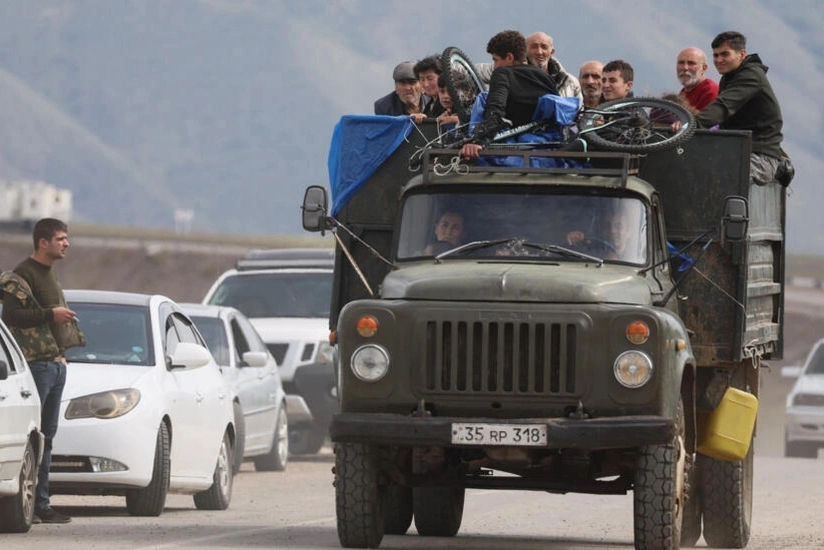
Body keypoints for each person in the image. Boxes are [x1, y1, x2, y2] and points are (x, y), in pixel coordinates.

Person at [0, 218, 84, 524]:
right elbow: (12, 316)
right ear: (43, 242)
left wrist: (61, 357)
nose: (66, 243)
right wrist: (51, 313)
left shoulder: (49, 273)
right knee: (35, 438)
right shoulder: (24, 273)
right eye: (60, 239)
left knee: (47, 439)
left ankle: (41, 504)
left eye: (66, 238)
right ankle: (34, 504)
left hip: (55, 365)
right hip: (37, 366)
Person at [694, 31, 785, 186]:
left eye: (725, 54)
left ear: (741, 54)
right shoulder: (729, 78)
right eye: (715, 55)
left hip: (759, 156)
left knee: (717, 178)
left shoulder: (751, 76)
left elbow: (723, 106)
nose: (719, 60)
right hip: (736, 150)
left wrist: (691, 125)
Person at [460, 30, 559, 160]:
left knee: (483, 97)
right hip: (548, 148)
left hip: (515, 149)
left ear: (509, 57)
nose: (495, 66)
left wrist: (478, 141)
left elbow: (495, 111)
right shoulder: (547, 77)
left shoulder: (502, 74)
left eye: (496, 60)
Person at [525, 32, 582, 99]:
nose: (539, 52)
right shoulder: (517, 80)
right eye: (534, 47)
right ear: (526, 51)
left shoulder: (570, 82)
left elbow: (579, 105)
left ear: (551, 52)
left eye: (544, 47)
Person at [566, 208, 634, 261]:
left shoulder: (636, 259)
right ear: (601, 230)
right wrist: (574, 241)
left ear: (629, 231)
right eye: (607, 226)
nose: (612, 231)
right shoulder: (588, 254)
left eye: (618, 226)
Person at [676, 47, 719, 113]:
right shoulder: (683, 92)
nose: (685, 68)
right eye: (681, 63)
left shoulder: (711, 91)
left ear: (704, 68)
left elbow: (706, 118)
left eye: (691, 63)